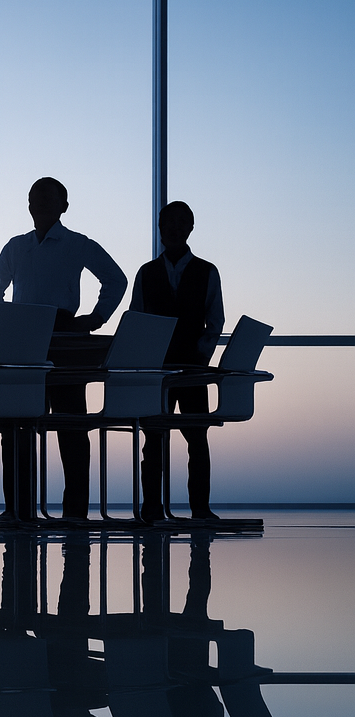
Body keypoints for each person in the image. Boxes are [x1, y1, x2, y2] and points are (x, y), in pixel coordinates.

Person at [0, 177, 127, 521]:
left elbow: (116, 279)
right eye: (35, 198)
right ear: (29, 204)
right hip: (24, 336)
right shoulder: (17, 247)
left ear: (64, 206)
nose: (40, 204)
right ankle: (18, 508)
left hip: (64, 335)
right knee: (17, 426)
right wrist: (6, 324)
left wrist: (94, 319)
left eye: (48, 199)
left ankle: (75, 510)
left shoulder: (77, 243)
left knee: (71, 426)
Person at [131, 201, 223, 522]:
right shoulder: (146, 273)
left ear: (190, 228)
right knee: (153, 438)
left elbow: (215, 321)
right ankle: (152, 508)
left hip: (192, 368)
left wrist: (200, 357)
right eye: (168, 222)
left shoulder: (207, 271)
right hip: (157, 369)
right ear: (160, 228)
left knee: (197, 437)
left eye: (180, 222)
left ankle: (200, 507)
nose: (173, 228)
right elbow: (138, 320)